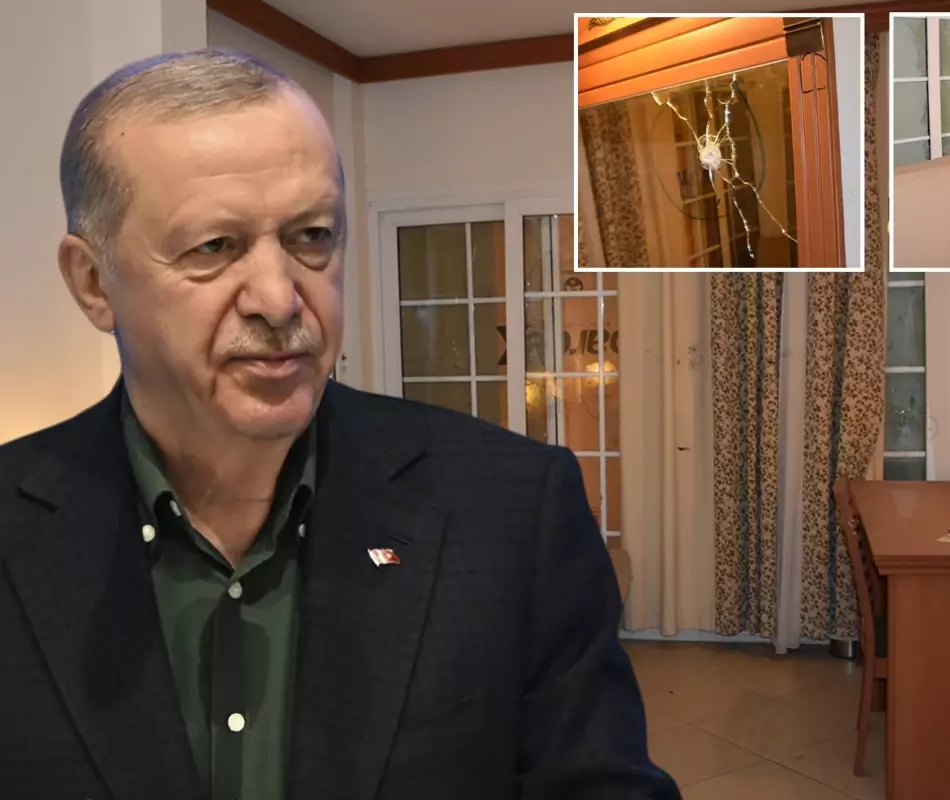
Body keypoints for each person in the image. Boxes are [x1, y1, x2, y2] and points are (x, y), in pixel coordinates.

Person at [0, 50, 680, 800]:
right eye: (214, 247)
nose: (279, 298)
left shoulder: (516, 509)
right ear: (93, 283)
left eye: (312, 236)